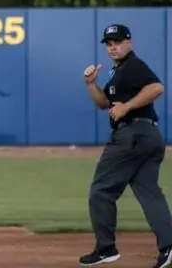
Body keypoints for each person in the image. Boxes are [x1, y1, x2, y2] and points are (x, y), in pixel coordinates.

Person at [80, 24, 172, 268]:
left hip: (132, 135)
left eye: (118, 42)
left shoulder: (133, 65)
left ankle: (105, 248)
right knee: (149, 192)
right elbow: (104, 105)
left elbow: (157, 88)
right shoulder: (118, 72)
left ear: (129, 42)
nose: (113, 46)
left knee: (101, 190)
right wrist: (91, 84)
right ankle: (169, 246)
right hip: (148, 137)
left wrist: (126, 107)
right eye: (109, 43)